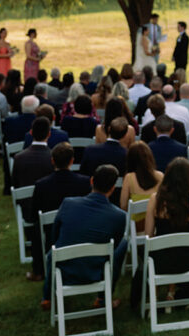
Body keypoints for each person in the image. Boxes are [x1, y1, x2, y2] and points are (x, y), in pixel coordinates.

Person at [41, 164, 128, 311]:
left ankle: (47, 297)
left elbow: (54, 236)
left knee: (53, 251)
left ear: (92, 181)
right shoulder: (119, 216)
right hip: (96, 272)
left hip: (63, 267)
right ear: (113, 189)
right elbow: (114, 246)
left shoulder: (68, 204)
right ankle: (103, 298)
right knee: (123, 244)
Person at [130, 158, 189, 308]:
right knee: (175, 251)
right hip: (186, 263)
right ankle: (171, 293)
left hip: (160, 262)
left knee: (152, 250)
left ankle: (156, 294)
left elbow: (149, 235)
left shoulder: (156, 200)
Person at [28, 141, 91, 281]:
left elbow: (34, 215)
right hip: (78, 232)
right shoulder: (84, 182)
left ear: (52, 161)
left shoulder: (41, 185)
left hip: (52, 235)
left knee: (36, 227)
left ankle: (38, 270)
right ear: (72, 161)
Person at [120, 141, 163, 224]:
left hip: (135, 228)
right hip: (155, 226)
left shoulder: (129, 178)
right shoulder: (160, 176)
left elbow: (123, 205)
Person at [80, 115, 129, 180]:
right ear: (125, 135)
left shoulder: (90, 150)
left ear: (109, 129)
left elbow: (83, 172)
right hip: (117, 189)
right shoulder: (127, 154)